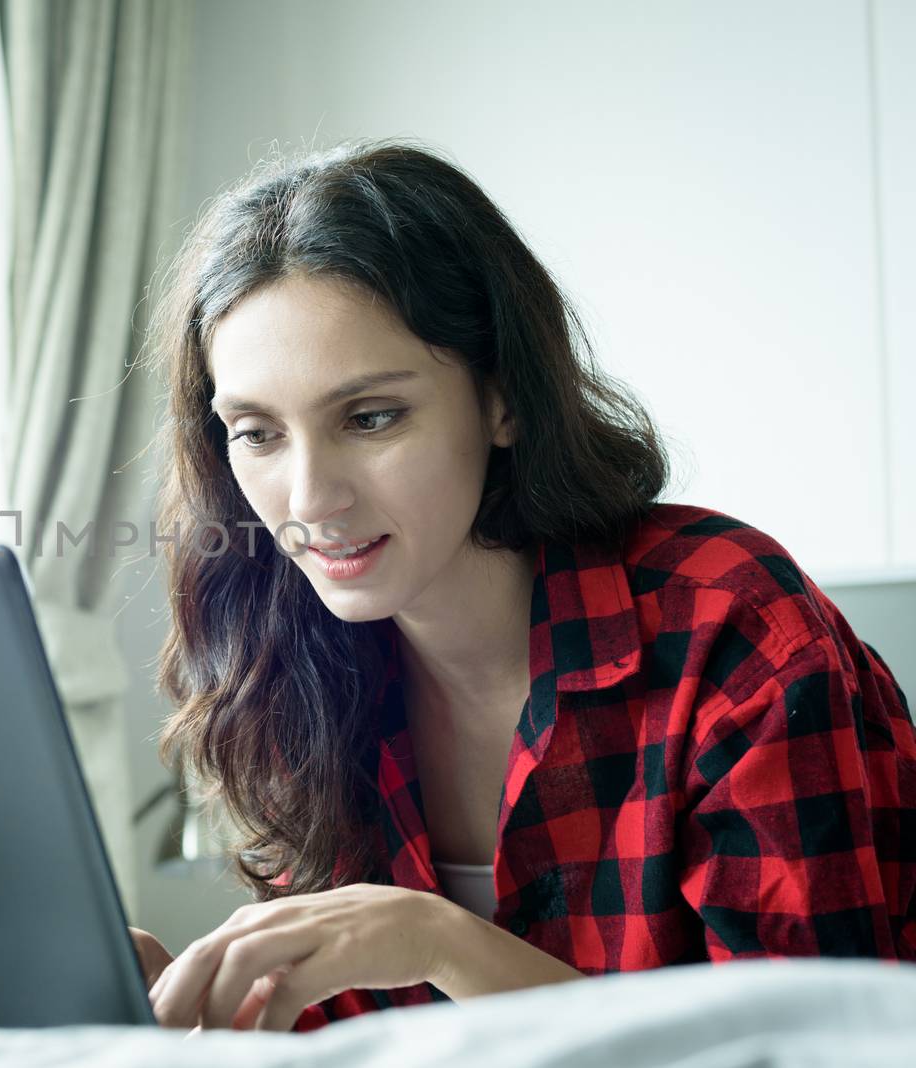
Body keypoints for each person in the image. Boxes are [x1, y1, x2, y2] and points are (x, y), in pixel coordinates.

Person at [129, 138, 916, 1034]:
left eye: (371, 417)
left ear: (501, 398)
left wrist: (440, 943)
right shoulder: (287, 666)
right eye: (257, 433)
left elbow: (815, 1051)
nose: (310, 500)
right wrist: (176, 1020)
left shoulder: (730, 627)